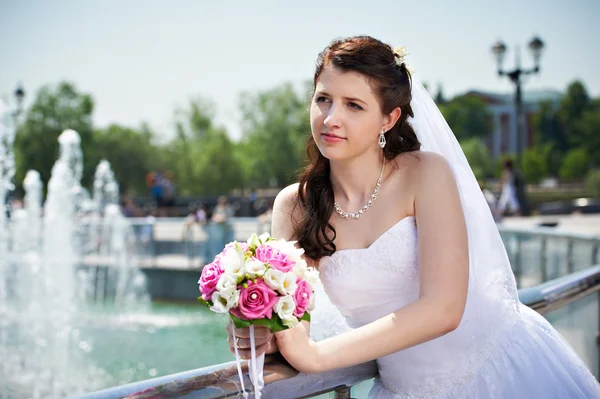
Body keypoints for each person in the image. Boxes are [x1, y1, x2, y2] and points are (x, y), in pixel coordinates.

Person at [226, 36, 600, 398]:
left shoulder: (425, 174)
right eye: (323, 99)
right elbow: (294, 325)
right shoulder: (295, 206)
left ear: (389, 119)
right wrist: (257, 330)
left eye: (354, 105)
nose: (331, 118)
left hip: (497, 373)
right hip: (403, 389)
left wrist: (318, 358)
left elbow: (443, 309)